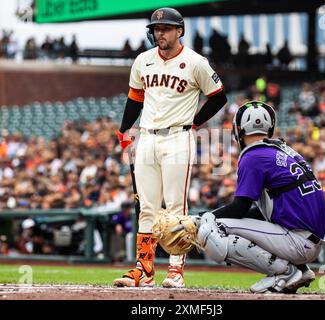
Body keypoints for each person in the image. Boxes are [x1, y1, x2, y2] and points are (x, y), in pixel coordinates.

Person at [114, 7, 227, 288]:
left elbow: (218, 97)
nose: (159, 33)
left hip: (178, 136)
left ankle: (175, 270)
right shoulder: (143, 60)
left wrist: (194, 123)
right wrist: (124, 129)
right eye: (155, 29)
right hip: (147, 136)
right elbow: (135, 99)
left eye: (165, 28)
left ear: (179, 31)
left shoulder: (195, 62)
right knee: (147, 207)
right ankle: (144, 269)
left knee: (176, 206)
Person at [196, 101, 325, 293]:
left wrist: (202, 218)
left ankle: (285, 271)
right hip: (309, 241)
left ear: (238, 130)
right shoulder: (283, 151)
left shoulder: (254, 155)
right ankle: (299, 269)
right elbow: (263, 211)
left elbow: (239, 208)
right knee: (217, 221)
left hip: (297, 241)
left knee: (211, 228)